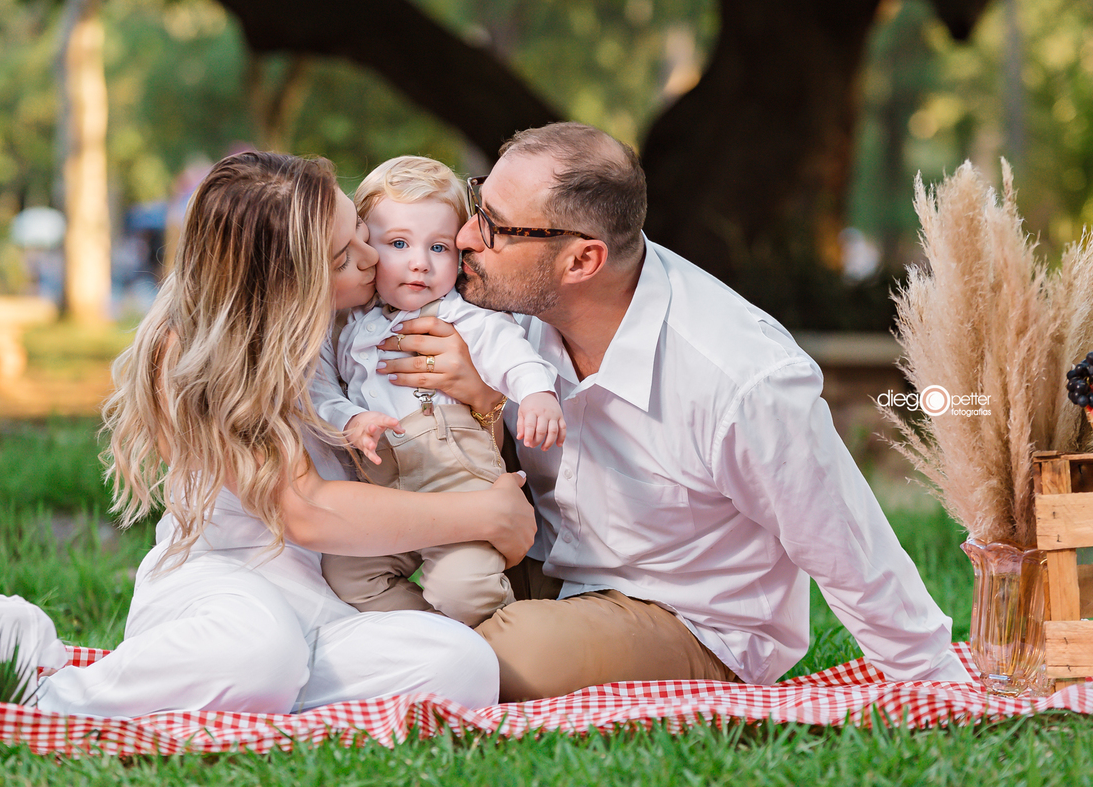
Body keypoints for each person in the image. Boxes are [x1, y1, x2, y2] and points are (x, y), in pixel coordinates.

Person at [380, 122, 971, 702]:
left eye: (494, 227)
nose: (463, 238)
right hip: (551, 565)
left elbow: (842, 540)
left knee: (506, 654)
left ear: (582, 262)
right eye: (477, 203)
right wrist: (485, 399)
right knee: (377, 556)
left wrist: (931, 678)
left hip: (686, 616)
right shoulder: (509, 311)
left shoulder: (739, 377)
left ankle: (394, 655)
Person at [35, 151, 535, 717]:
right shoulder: (199, 353)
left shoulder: (358, 331)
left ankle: (259, 698)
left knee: (460, 662)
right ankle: (54, 701)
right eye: (348, 254)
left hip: (320, 604)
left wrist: (479, 395)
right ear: (290, 282)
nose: (374, 258)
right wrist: (484, 516)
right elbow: (306, 510)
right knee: (259, 651)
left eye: (363, 234)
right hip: (223, 588)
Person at [312, 156, 564, 627]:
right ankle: (432, 640)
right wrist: (350, 417)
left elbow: (511, 351)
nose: (419, 263)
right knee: (347, 576)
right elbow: (319, 389)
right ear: (364, 245)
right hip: (383, 485)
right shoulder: (345, 324)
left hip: (457, 476)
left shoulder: (460, 314)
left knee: (464, 590)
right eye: (399, 243)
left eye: (440, 247)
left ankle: (496, 643)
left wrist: (535, 393)